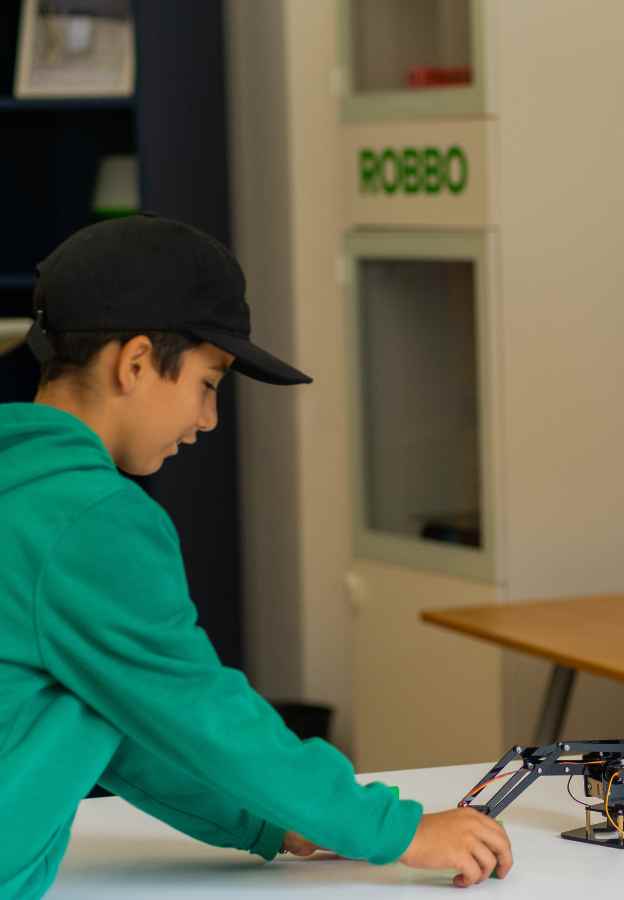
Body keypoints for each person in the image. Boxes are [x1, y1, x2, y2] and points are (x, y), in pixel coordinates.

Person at [0, 215, 511, 897]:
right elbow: (204, 712)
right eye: (209, 383)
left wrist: (275, 820)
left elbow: (121, 717)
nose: (208, 419)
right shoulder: (90, 520)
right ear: (136, 363)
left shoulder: (20, 485)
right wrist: (396, 829)